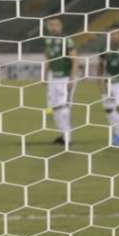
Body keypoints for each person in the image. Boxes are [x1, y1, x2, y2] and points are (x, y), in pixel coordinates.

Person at [43, 17, 77, 148]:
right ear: (47, 27)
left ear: (61, 26)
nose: (54, 27)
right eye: (51, 24)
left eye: (56, 24)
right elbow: (47, 57)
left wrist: (72, 78)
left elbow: (75, 59)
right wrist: (44, 75)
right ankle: (62, 135)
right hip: (53, 78)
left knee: (63, 107)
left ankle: (68, 137)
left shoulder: (67, 40)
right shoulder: (47, 40)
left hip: (65, 77)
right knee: (54, 107)